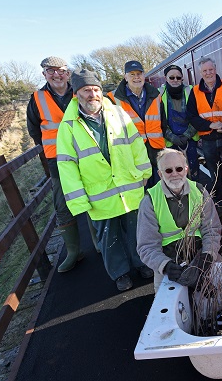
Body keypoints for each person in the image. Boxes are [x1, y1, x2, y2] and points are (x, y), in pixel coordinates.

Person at [57, 69, 154, 291]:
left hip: (129, 187)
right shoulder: (69, 126)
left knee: (137, 231)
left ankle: (142, 263)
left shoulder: (119, 114)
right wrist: (79, 199)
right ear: (76, 94)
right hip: (99, 194)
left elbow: (136, 145)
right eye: (86, 90)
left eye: (95, 89)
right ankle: (120, 273)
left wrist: (143, 173)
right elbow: (67, 164)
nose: (92, 94)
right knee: (110, 239)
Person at [26, 56, 96, 272]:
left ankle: (99, 243)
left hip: (86, 154)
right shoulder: (37, 99)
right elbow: (34, 131)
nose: (56, 74)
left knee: (94, 194)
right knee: (62, 202)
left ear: (68, 73)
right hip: (57, 160)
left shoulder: (81, 91)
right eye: (51, 71)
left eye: (61, 70)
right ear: (44, 74)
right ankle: (74, 252)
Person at [136, 149, 221, 292]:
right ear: (160, 174)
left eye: (179, 168)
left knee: (218, 294)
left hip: (200, 255)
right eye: (168, 170)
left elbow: (212, 230)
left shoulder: (200, 192)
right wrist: (165, 265)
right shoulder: (149, 201)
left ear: (186, 169)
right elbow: (146, 247)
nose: (174, 174)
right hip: (169, 262)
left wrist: (208, 254)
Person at [187, 57, 222, 206]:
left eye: (211, 69)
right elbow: (191, 116)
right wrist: (210, 125)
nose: (208, 73)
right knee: (214, 175)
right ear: (200, 73)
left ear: (215, 69)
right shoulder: (195, 91)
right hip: (208, 140)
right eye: (205, 71)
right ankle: (221, 204)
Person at [107, 60, 161, 186]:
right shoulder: (112, 99)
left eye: (139, 73)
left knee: (159, 187)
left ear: (144, 76)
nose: (136, 77)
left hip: (156, 149)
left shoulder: (156, 95)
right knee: (139, 187)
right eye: (132, 74)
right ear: (125, 77)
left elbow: (162, 120)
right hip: (132, 151)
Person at [151, 64, 200, 180]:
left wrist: (186, 135)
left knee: (192, 172)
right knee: (174, 174)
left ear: (182, 78)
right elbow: (157, 120)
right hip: (169, 143)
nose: (175, 80)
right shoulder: (158, 94)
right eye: (171, 77)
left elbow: (197, 115)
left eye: (178, 77)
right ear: (166, 78)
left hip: (190, 141)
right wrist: (173, 138)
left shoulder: (191, 91)